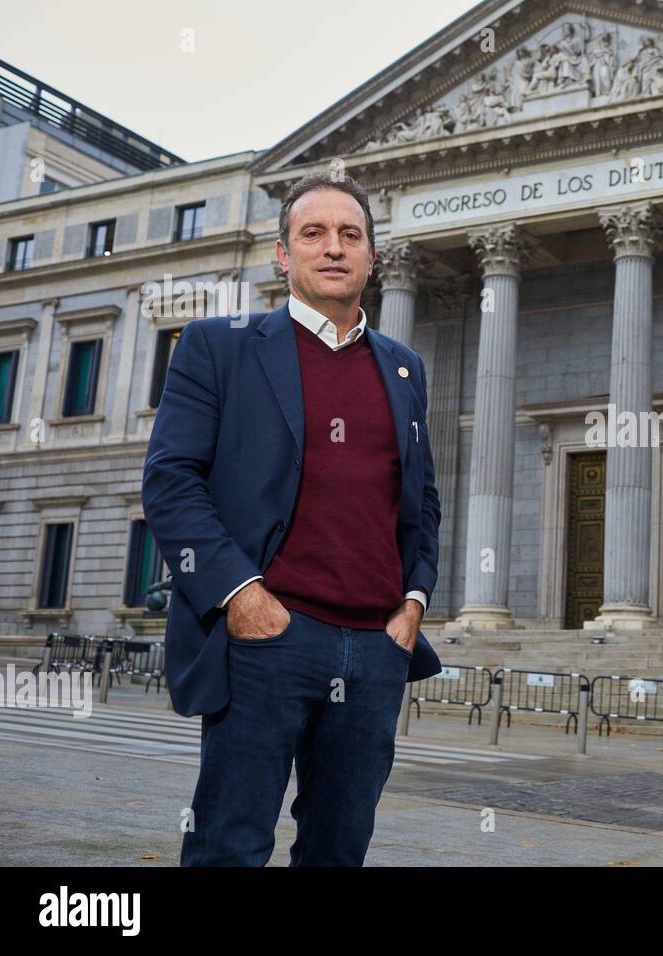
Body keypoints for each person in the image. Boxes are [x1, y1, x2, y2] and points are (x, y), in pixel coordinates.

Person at [142, 170, 443, 866]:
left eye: (351, 235)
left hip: (374, 648)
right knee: (228, 845)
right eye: (313, 233)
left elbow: (421, 498)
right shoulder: (220, 345)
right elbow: (170, 481)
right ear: (284, 254)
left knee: (339, 851)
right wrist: (240, 596)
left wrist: (413, 604)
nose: (333, 248)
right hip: (266, 638)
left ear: (373, 255)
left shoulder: (404, 368)